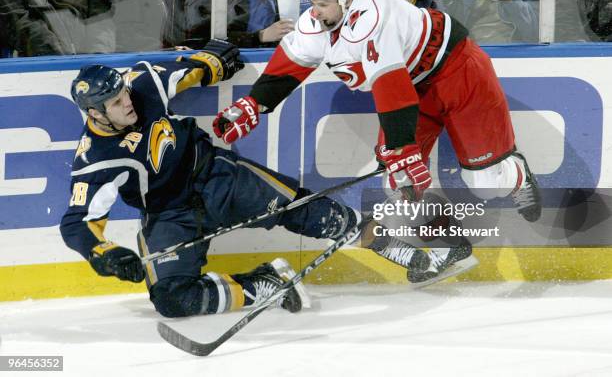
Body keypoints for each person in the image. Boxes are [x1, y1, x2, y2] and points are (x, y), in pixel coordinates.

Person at [213, 0, 543, 277]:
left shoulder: (373, 19)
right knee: (398, 182)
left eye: (324, 3)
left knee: (485, 183)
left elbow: (390, 85)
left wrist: (402, 150)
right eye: (313, 1)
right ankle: (450, 245)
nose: (315, 10)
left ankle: (515, 172)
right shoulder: (321, 18)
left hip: (459, 71)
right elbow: (294, 59)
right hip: (414, 86)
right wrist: (255, 104)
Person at [60, 39, 437, 318]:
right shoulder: (95, 157)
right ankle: (263, 284)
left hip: (215, 175)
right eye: (114, 103)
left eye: (123, 93)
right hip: (168, 214)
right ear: (95, 113)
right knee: (171, 299)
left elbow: (190, 69)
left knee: (309, 212)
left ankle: (402, 250)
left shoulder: (142, 84)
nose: (126, 102)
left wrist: (215, 61)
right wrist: (104, 256)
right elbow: (76, 222)